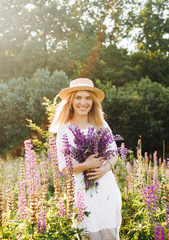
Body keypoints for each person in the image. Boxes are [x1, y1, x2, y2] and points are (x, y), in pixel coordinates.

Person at [49, 78, 122, 240]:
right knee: (88, 233)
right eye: (78, 98)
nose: (84, 102)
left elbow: (114, 154)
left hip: (106, 187)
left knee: (110, 234)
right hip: (82, 191)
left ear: (93, 102)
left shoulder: (101, 124)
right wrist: (86, 164)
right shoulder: (64, 130)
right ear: (71, 101)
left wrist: (103, 169)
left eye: (88, 98)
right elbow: (64, 168)